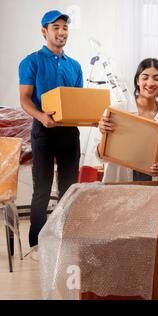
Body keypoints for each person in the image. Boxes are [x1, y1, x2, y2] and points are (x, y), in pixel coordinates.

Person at [19, 10, 83, 260]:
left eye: (65, 27)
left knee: (69, 189)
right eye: (56, 27)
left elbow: (77, 101)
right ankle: (36, 243)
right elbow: (24, 99)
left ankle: (64, 238)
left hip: (69, 133)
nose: (62, 32)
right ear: (44, 31)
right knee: (42, 190)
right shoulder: (31, 61)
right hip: (43, 131)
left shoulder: (74, 65)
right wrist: (42, 116)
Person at [96, 58, 158, 182]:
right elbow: (98, 155)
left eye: (156, 78)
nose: (150, 83)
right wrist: (105, 136)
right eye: (145, 77)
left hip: (152, 189)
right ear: (137, 81)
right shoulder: (116, 111)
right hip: (118, 187)